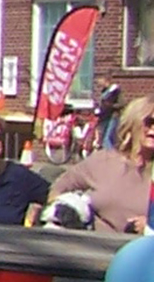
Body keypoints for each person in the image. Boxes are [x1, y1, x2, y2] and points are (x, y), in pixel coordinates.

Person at [43, 96, 154, 233]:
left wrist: (150, 227)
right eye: (150, 122)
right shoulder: (102, 161)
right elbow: (58, 189)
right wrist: (74, 215)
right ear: (133, 122)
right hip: (93, 249)